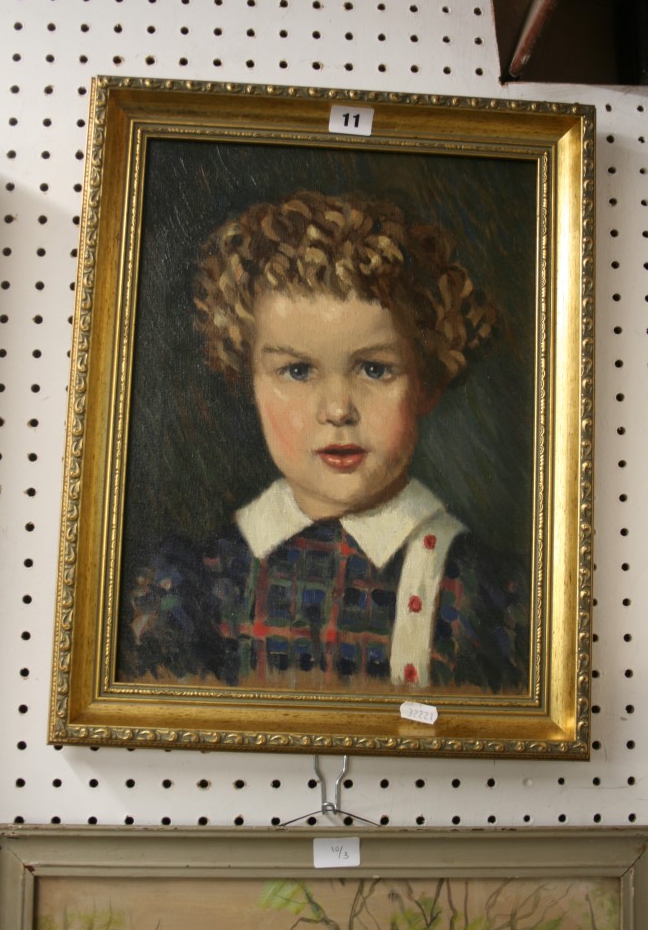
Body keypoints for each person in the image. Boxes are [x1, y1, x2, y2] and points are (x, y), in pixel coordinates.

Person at [119, 191, 528, 693]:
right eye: (296, 370)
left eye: (374, 369)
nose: (337, 409)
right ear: (248, 378)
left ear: (427, 381)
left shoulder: (490, 597)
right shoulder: (191, 586)